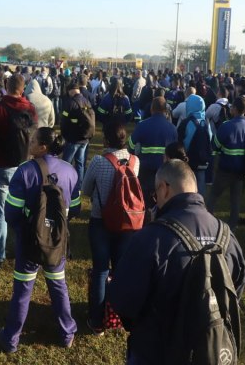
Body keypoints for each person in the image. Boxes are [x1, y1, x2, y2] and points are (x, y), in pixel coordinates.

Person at [109, 159, 245, 365]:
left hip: (155, 352)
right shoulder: (227, 236)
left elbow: (123, 302)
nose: (156, 201)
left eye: (155, 195)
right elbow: (236, 288)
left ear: (164, 188)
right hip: (209, 350)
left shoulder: (151, 238)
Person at [0, 127, 80, 352]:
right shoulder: (70, 171)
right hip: (57, 241)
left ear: (43, 147)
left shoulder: (25, 171)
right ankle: (67, 333)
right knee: (58, 284)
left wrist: (24, 230)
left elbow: (11, 212)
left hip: (29, 241)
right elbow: (76, 207)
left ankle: (11, 339)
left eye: (33, 140)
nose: (29, 143)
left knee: (23, 289)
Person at [82, 120, 140, 335]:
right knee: (121, 270)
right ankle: (120, 315)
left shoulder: (99, 161)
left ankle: (97, 321)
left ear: (106, 140)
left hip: (101, 221)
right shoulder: (135, 161)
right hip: (128, 224)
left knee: (100, 270)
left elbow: (86, 189)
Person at [0, 74, 37, 266]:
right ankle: (26, 249)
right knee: (26, 211)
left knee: (0, 213)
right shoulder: (30, 109)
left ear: (6, 86)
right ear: (23, 90)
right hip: (25, 166)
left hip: (1, 166)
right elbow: (33, 138)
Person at [207, 96, 245, 229]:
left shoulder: (226, 126)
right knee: (235, 199)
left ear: (234, 109)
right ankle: (233, 226)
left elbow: (215, 145)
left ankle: (208, 222)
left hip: (225, 169)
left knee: (213, 196)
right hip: (241, 170)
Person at [128, 96, 178, 205]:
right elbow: (175, 151)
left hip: (145, 168)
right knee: (162, 198)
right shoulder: (173, 129)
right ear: (165, 110)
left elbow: (131, 145)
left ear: (151, 109)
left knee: (144, 198)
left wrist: (132, 158)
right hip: (165, 169)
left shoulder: (142, 125)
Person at [61, 78, 95, 189]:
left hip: (73, 139)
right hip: (85, 138)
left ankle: (64, 183)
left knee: (66, 163)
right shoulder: (86, 101)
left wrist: (64, 136)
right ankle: (79, 186)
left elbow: (64, 122)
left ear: (71, 91)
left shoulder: (70, 103)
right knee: (80, 163)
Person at [177, 94, 212, 197]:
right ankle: (201, 205)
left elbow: (180, 141)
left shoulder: (186, 123)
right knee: (200, 183)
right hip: (203, 160)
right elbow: (209, 138)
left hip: (189, 160)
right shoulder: (206, 122)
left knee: (187, 184)